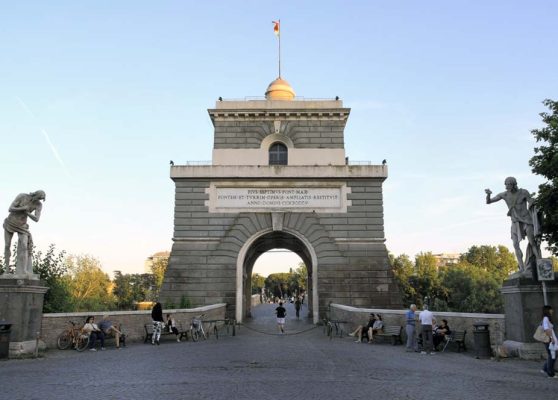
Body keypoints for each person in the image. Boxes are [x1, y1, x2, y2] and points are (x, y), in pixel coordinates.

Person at [485, 177, 541, 273]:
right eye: (506, 184)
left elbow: (530, 201)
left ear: (514, 184)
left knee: (532, 242)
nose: (507, 187)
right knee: (515, 244)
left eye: (509, 184)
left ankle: (540, 263)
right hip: (515, 222)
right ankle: (522, 268)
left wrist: (533, 204)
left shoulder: (523, 192)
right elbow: (489, 202)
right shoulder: (504, 195)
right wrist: (489, 195)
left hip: (527, 220)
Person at [3, 190, 46, 275]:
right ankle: (7, 270)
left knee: (24, 245)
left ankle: (24, 270)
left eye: (41, 199)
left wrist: (27, 213)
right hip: (11, 222)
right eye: (39, 198)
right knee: (7, 245)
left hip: (22, 225)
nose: (39, 200)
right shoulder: (22, 196)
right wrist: (22, 208)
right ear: (35, 194)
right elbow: (10, 208)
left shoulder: (39, 205)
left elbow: (36, 219)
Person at [541, 305, 558, 378]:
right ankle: (550, 373)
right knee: (553, 355)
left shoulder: (547, 318)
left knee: (552, 355)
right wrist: (552, 338)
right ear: (548, 310)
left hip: (550, 339)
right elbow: (546, 329)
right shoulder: (545, 318)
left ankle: (545, 368)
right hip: (549, 340)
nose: (552, 311)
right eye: (551, 309)